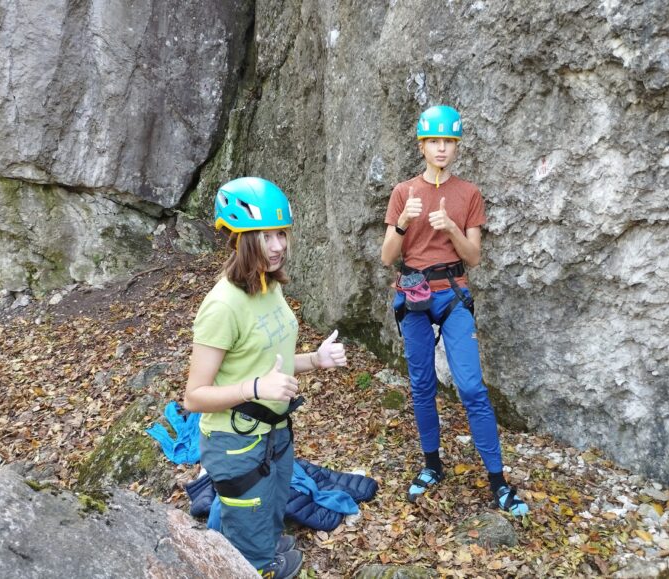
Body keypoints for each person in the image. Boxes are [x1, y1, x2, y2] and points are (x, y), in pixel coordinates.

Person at [184, 176, 348, 578]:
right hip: (236, 444)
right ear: (239, 238)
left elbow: (267, 362)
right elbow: (193, 397)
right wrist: (254, 388)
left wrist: (315, 359)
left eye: (281, 234)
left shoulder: (267, 285)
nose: (277, 246)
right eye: (263, 236)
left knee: (268, 518)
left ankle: (254, 548)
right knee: (255, 559)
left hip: (274, 433)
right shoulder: (223, 305)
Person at [380, 105, 529, 517]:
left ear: (457, 146)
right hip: (413, 295)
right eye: (434, 142)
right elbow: (386, 256)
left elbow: (475, 257)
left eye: (448, 142)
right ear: (422, 146)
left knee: (472, 388)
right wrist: (404, 224)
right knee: (422, 385)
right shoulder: (402, 192)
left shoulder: (469, 194)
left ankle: (499, 481)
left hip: (454, 294)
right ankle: (432, 465)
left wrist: (450, 228)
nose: (441, 148)